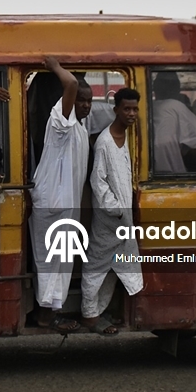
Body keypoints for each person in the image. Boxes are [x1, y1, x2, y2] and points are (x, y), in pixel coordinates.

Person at [29, 57, 93, 333]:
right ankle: (45, 316)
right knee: (51, 262)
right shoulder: (60, 122)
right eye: (80, 100)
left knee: (60, 261)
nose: (86, 105)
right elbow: (72, 83)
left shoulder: (79, 127)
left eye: (89, 101)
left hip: (64, 206)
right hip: (53, 205)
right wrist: (54, 66)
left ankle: (51, 312)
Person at [82, 88, 144, 335]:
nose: (131, 114)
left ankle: (101, 310)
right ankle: (89, 315)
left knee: (116, 265)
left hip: (124, 216)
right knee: (97, 264)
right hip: (110, 218)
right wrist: (115, 209)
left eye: (135, 109)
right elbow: (98, 181)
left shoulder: (127, 136)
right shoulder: (105, 142)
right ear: (115, 109)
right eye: (126, 109)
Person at [151, 71, 196, 173]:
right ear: (177, 89)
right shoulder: (175, 106)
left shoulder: (148, 107)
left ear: (155, 88)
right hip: (172, 172)